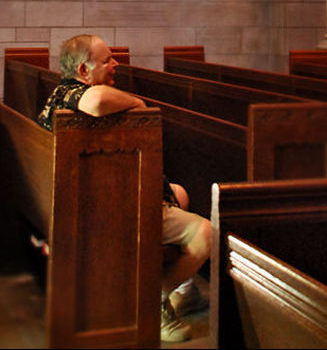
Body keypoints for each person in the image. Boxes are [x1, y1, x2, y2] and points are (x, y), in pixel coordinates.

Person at [38, 33, 211, 342]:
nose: (116, 63)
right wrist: (136, 102)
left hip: (83, 194)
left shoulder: (61, 93)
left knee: (180, 193)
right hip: (99, 208)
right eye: (107, 60)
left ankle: (183, 290)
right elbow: (98, 101)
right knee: (206, 233)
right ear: (83, 72)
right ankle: (154, 298)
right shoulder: (74, 95)